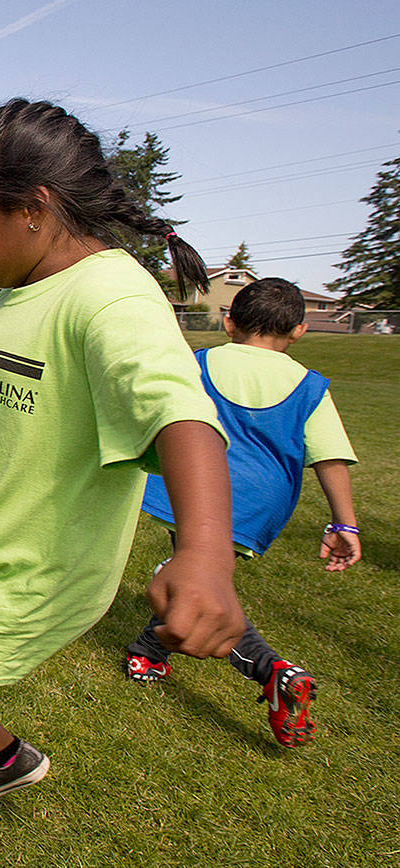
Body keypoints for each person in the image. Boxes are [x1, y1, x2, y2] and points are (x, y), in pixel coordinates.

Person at [0, 99, 247, 868]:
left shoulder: (113, 297)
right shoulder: (14, 291)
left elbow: (179, 412)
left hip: (35, 567)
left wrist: (206, 553)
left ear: (33, 209)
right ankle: (0, 756)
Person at [125, 277, 361, 747]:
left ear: (229, 321)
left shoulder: (202, 362)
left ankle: (273, 671)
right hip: (259, 504)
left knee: (195, 580)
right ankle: (149, 650)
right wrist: (344, 523)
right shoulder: (310, 386)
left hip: (194, 488)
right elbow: (330, 456)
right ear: (298, 331)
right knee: (197, 573)